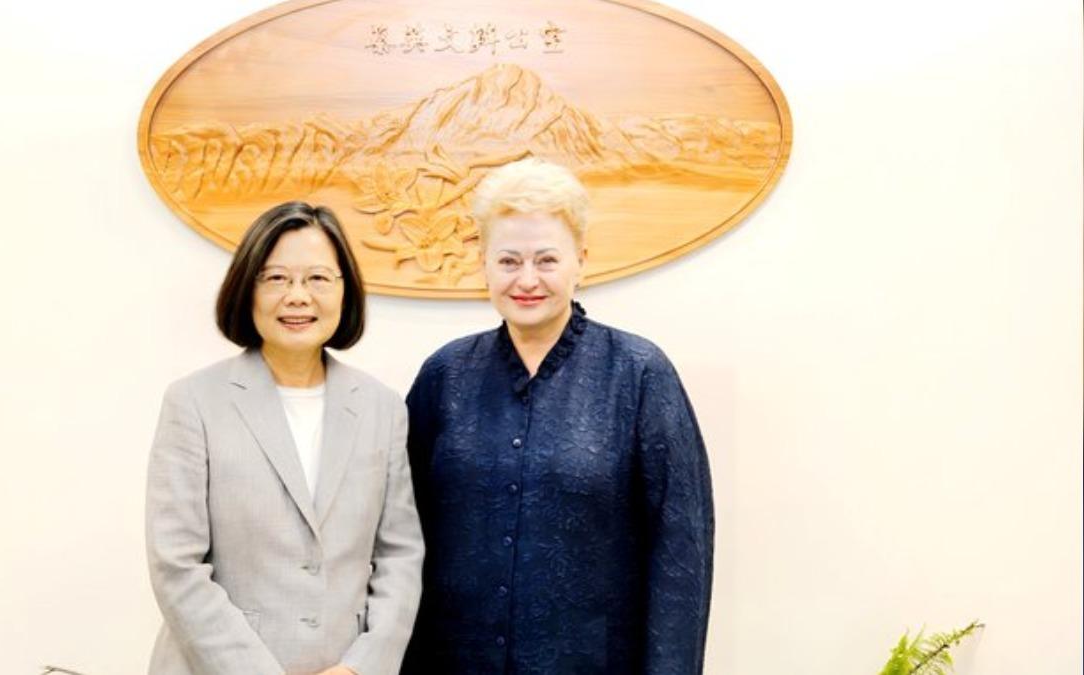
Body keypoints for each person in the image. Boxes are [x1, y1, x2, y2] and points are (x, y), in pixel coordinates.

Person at [401, 159, 715, 674]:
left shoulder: (638, 374)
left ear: (581, 262)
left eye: (547, 260)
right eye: (508, 261)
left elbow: (681, 550)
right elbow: (401, 535)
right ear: (483, 262)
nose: (527, 280)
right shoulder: (445, 376)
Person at [146, 201, 423, 675]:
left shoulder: (383, 408)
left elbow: (399, 553)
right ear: (246, 288)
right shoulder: (194, 401)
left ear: (345, 291)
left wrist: (363, 665)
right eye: (275, 278)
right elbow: (176, 564)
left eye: (318, 278)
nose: (298, 296)